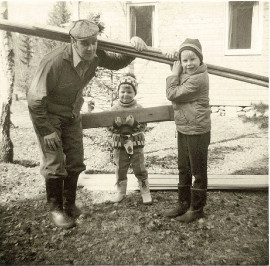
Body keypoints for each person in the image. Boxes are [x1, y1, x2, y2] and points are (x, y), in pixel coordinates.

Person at [27, 19, 147, 229]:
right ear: (73, 42)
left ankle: (70, 204)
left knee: (75, 159)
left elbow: (117, 62)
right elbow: (35, 100)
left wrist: (134, 46)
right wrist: (46, 131)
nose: (91, 47)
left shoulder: (93, 57)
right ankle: (55, 210)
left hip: (72, 113)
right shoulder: (53, 62)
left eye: (94, 42)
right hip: (48, 115)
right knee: (55, 162)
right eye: (85, 43)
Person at [163, 38, 211, 222]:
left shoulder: (199, 79)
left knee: (198, 170)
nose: (189, 64)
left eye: (193, 59)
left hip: (197, 130)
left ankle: (197, 208)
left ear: (200, 59)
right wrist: (170, 58)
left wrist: (173, 73)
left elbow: (172, 93)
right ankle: (183, 203)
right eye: (184, 60)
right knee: (184, 167)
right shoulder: (188, 74)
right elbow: (179, 75)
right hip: (184, 127)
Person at [108, 73, 152, 205]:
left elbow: (144, 126)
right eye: (122, 91)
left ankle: (145, 192)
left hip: (136, 142)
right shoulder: (114, 109)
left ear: (134, 93)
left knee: (139, 167)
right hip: (120, 144)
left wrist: (134, 124)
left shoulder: (139, 109)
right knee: (120, 168)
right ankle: (121, 192)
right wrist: (116, 125)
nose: (125, 94)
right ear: (118, 92)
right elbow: (109, 127)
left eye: (129, 91)